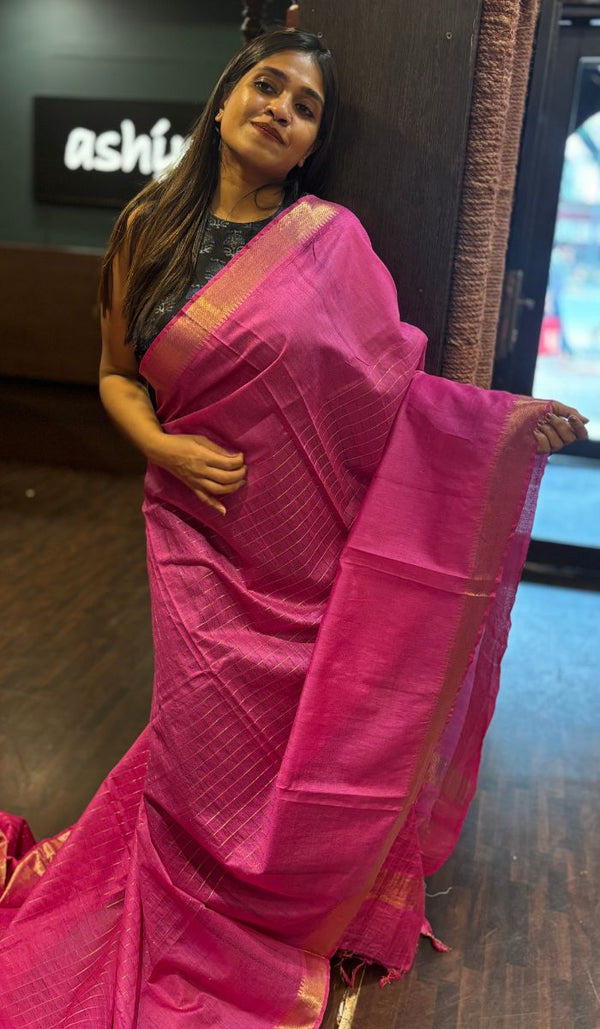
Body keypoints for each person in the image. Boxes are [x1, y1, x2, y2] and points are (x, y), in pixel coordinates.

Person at [0, 27, 589, 1029]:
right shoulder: (149, 224)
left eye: (304, 104)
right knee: (197, 737)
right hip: (193, 532)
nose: (280, 108)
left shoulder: (331, 244)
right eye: (267, 86)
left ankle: (277, 905)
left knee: (289, 739)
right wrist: (166, 447)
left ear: (314, 140)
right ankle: (185, 896)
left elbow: (394, 391)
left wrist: (501, 429)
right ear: (227, 96)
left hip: (305, 548)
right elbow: (114, 372)